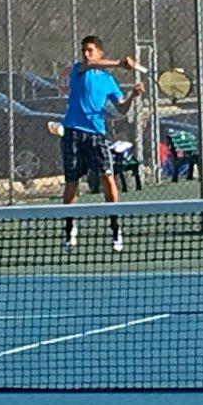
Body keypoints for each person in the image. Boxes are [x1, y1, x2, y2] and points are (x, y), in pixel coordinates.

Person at [60, 35, 144, 252]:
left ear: (100, 52)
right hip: (73, 133)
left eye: (90, 50)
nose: (85, 54)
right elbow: (88, 65)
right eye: (83, 50)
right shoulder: (79, 69)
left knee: (108, 178)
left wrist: (133, 96)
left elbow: (121, 109)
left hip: (96, 135)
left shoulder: (108, 80)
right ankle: (70, 228)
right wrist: (120, 63)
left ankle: (115, 229)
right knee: (72, 182)